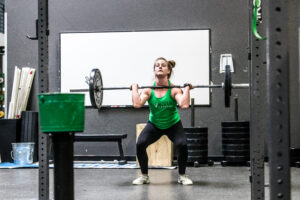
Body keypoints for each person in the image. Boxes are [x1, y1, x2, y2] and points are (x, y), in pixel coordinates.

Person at [131, 57, 193, 185]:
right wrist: (134, 89)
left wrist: (186, 89)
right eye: (157, 65)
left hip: (173, 124)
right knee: (140, 144)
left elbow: (184, 104)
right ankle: (144, 176)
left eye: (163, 65)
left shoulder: (174, 89)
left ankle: (182, 175)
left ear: (168, 71)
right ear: (154, 70)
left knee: (182, 145)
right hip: (154, 125)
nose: (160, 67)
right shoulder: (148, 90)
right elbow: (137, 104)